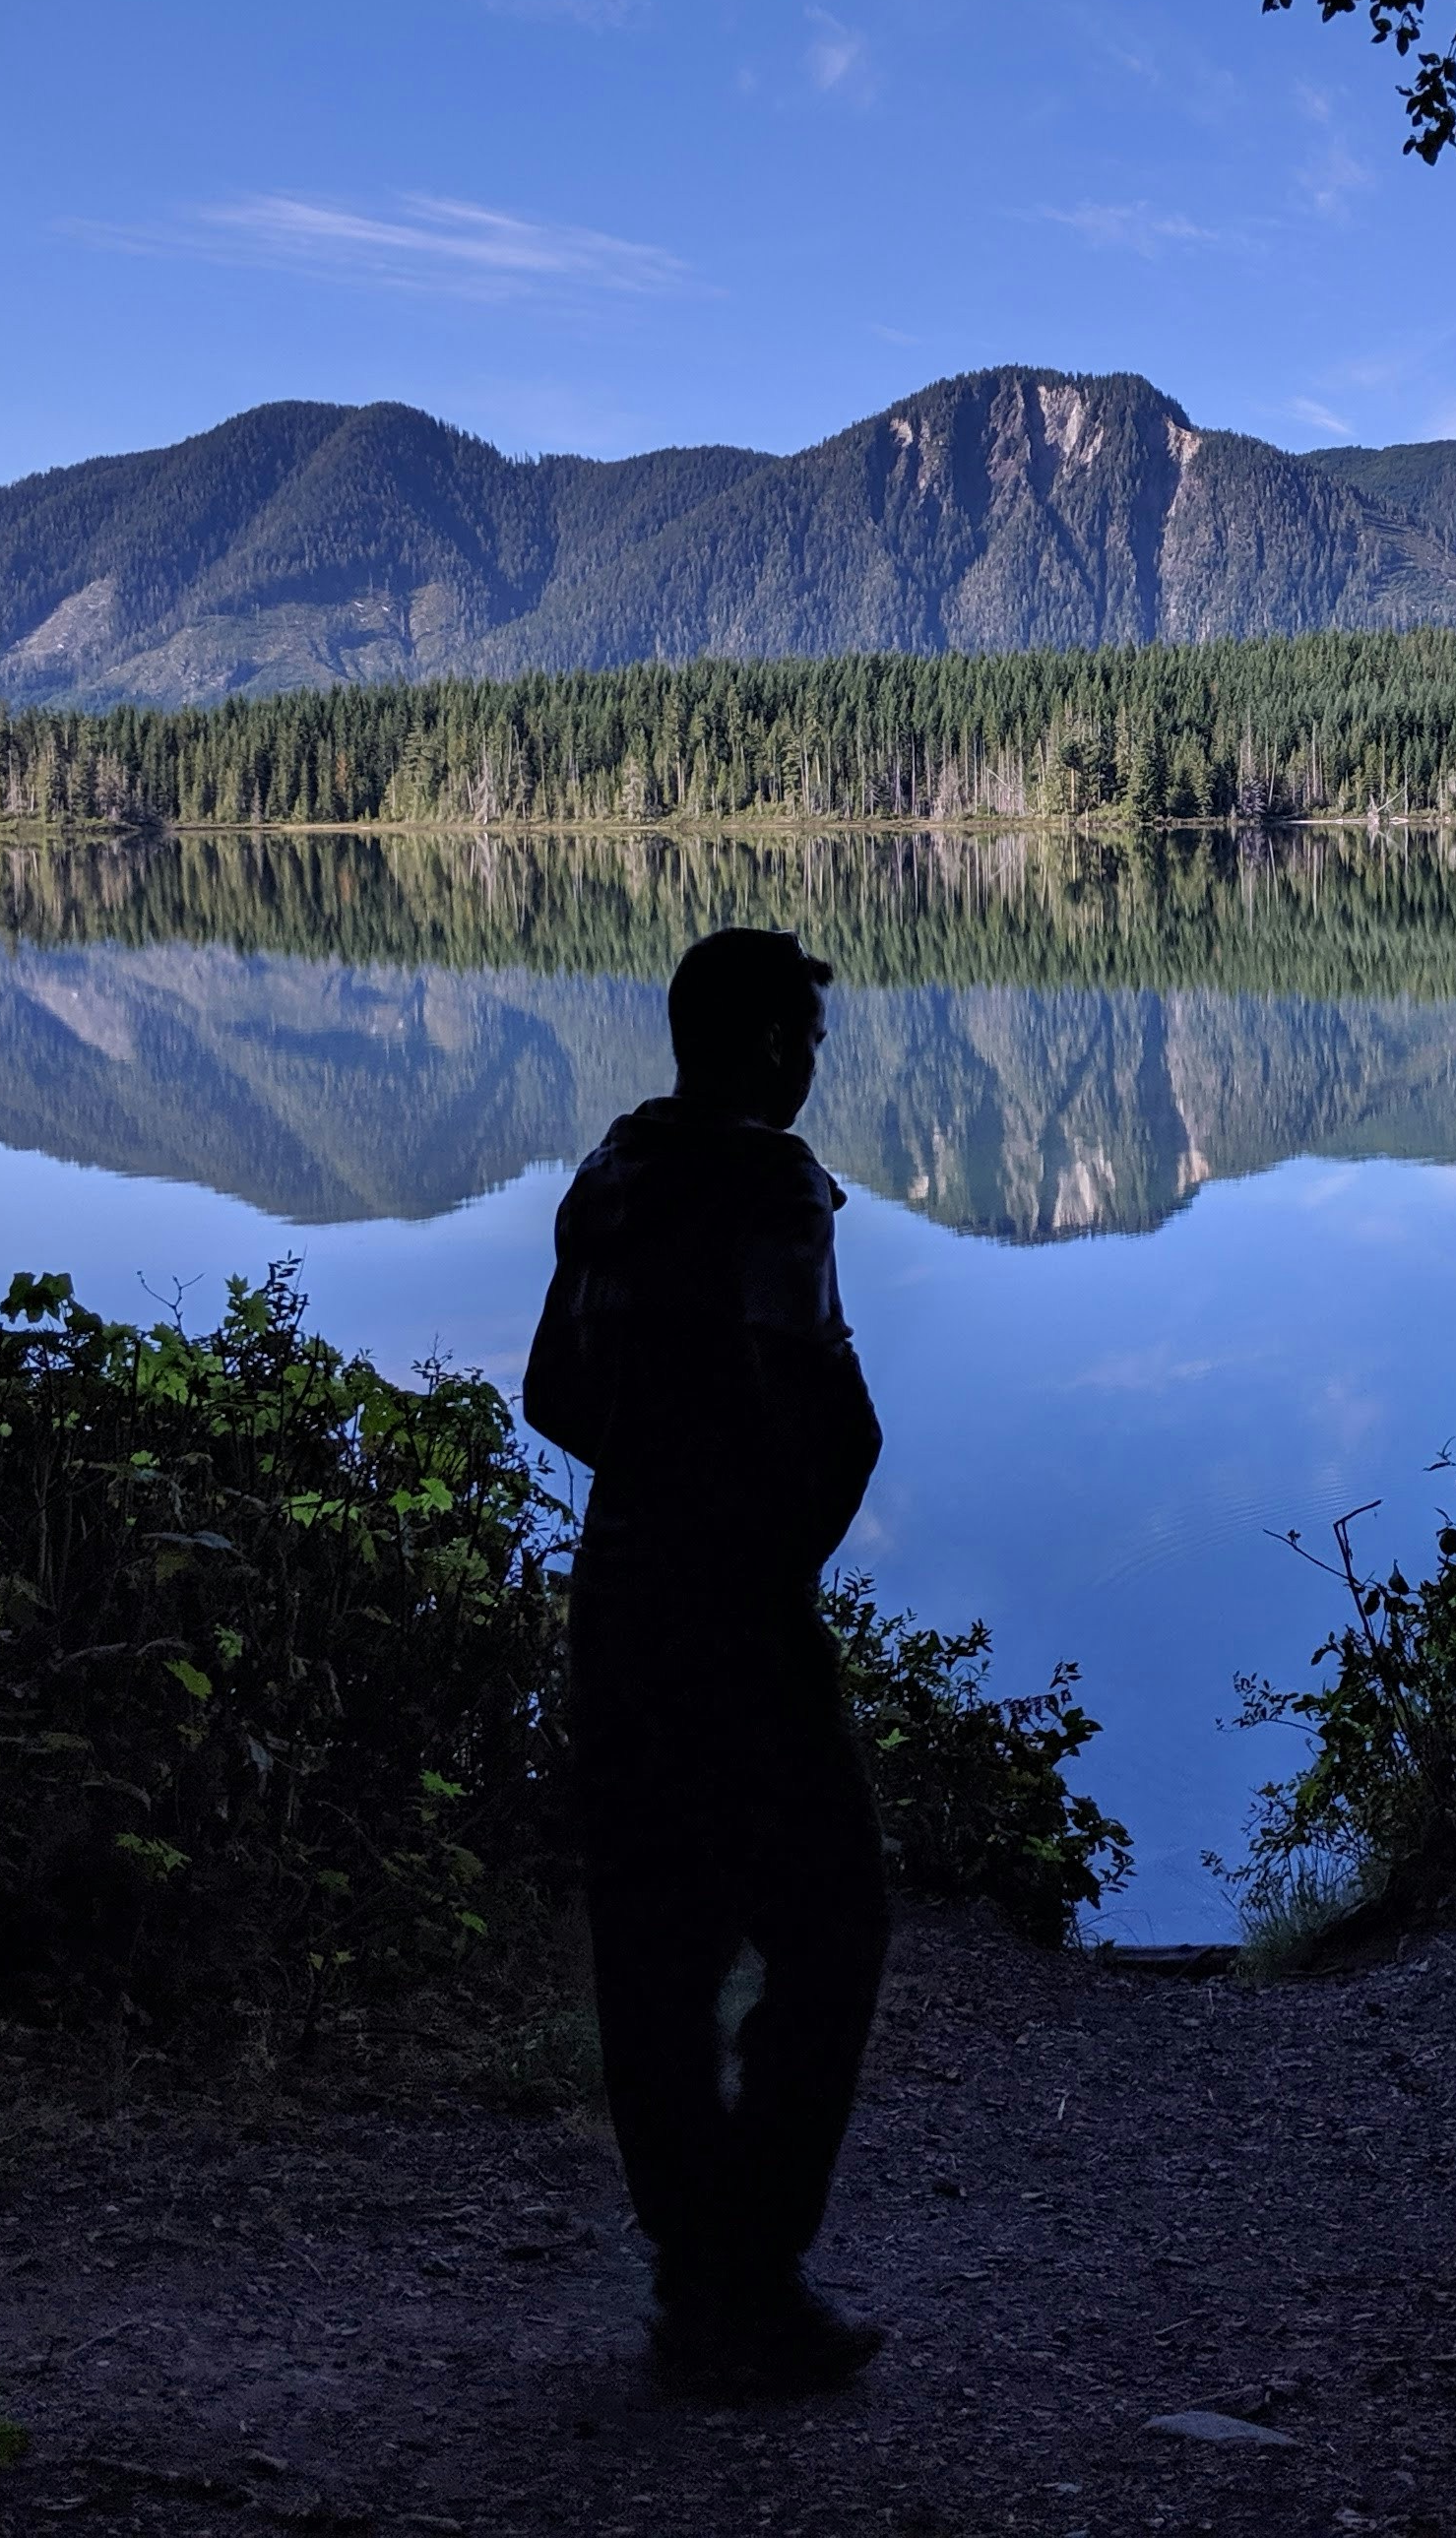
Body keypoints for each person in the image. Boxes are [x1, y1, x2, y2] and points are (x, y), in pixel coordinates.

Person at [523, 926, 891, 2395]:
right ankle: (758, 2270)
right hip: (740, 1609)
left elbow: (553, 1395)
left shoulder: (609, 1176)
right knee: (837, 1921)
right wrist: (776, 1548)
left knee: (656, 1949)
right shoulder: (773, 1189)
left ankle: (695, 2276)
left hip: (620, 1596)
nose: (811, 1068)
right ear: (764, 1046)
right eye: (806, 1042)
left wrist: (655, 1481)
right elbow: (826, 1414)